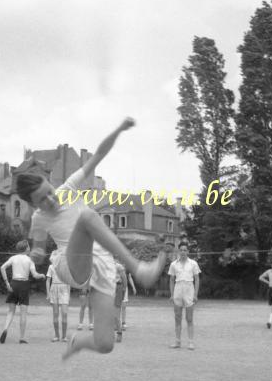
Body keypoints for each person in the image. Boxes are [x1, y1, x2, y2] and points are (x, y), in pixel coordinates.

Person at [16, 117, 167, 359]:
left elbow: (98, 155)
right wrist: (37, 253)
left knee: (106, 343)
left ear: (51, 184)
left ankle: (78, 341)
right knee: (86, 217)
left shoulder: (68, 188)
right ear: (32, 204)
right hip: (71, 264)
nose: (51, 200)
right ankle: (138, 268)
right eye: (42, 200)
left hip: (102, 265)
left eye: (49, 192)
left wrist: (118, 129)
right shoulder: (38, 220)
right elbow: (39, 249)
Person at [0, 240, 45, 344]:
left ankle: (5, 329)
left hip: (13, 284)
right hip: (24, 286)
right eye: (28, 247)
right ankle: (22, 337)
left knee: (11, 311)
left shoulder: (13, 258)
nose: (30, 248)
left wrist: (7, 283)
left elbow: (2, 267)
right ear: (26, 248)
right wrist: (41, 275)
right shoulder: (29, 260)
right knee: (23, 313)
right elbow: (35, 275)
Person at [168, 242, 200, 350]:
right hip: (178, 290)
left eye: (185, 250)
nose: (183, 252)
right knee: (177, 318)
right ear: (178, 251)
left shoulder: (193, 264)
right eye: (181, 250)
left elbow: (197, 279)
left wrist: (195, 294)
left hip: (189, 290)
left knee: (189, 318)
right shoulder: (173, 264)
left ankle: (191, 342)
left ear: (188, 251)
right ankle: (177, 341)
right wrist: (172, 294)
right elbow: (171, 280)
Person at [46, 251, 71, 342]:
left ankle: (64, 336)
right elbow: (48, 281)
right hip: (54, 289)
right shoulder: (51, 267)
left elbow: (68, 281)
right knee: (55, 314)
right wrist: (48, 293)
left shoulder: (66, 267)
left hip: (64, 289)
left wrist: (69, 294)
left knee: (64, 313)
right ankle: (57, 335)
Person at [114, 260, 128, 342]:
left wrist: (123, 291)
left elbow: (124, 279)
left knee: (116, 314)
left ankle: (119, 333)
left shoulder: (119, 266)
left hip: (117, 288)